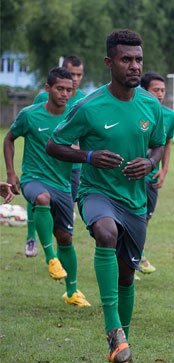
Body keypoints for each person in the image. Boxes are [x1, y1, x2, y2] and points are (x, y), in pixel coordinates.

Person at [46, 29, 166, 363]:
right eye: (126, 59)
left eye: (138, 59)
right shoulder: (89, 106)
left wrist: (152, 161)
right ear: (109, 62)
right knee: (105, 233)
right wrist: (88, 156)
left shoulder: (151, 106)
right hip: (96, 193)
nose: (134, 66)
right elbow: (55, 145)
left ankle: (120, 345)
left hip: (134, 200)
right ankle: (113, 330)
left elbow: (157, 144)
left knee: (127, 276)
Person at [4, 67, 90, 306]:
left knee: (66, 238)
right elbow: (9, 138)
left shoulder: (74, 116)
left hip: (62, 183)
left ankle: (72, 291)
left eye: (69, 90)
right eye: (60, 89)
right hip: (33, 178)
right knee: (41, 199)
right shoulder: (29, 115)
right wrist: (11, 172)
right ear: (48, 89)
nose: (65, 94)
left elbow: (82, 145)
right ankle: (50, 257)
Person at [26, 55, 86, 257]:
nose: (75, 78)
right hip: (43, 165)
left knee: (63, 215)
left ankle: (60, 259)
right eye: (72, 74)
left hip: (72, 168)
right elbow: (32, 122)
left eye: (79, 75)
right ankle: (31, 238)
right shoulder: (44, 98)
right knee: (39, 198)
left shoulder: (84, 100)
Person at [138, 71, 174, 274]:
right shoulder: (135, 110)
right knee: (128, 214)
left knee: (145, 217)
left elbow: (166, 144)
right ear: (144, 90)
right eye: (156, 90)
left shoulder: (169, 116)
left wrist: (164, 170)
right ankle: (127, 257)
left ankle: (139, 254)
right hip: (132, 174)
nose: (160, 94)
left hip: (152, 175)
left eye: (163, 90)